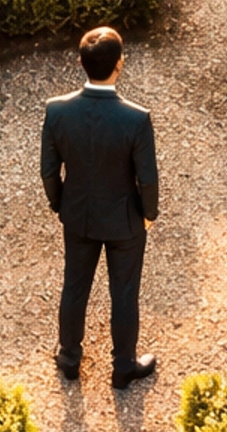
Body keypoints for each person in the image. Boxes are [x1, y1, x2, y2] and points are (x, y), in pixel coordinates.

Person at [40, 26, 159, 387]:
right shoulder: (136, 119)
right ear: (120, 64)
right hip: (125, 222)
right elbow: (148, 179)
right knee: (124, 292)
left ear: (80, 63)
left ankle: (69, 357)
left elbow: (48, 170)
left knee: (74, 285)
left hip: (78, 215)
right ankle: (123, 366)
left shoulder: (57, 111)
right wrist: (148, 215)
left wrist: (61, 204)